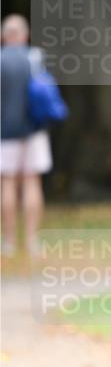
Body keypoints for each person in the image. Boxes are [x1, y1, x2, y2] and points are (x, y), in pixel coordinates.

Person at [0, 14, 53, 257]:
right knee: (32, 182)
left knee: (7, 183)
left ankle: (9, 242)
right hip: (34, 129)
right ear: (25, 35)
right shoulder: (35, 58)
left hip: (5, 131)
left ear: (4, 36)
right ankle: (32, 240)